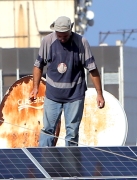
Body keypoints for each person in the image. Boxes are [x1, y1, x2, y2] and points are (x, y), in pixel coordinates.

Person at [30, 15, 105, 147]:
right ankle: (44, 160)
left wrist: (99, 93)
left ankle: (71, 163)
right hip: (53, 94)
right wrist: (35, 87)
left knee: (72, 132)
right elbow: (38, 65)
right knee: (48, 130)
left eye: (65, 35)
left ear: (71, 30)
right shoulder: (47, 41)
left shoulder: (81, 42)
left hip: (75, 95)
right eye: (59, 36)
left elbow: (92, 70)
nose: (62, 39)